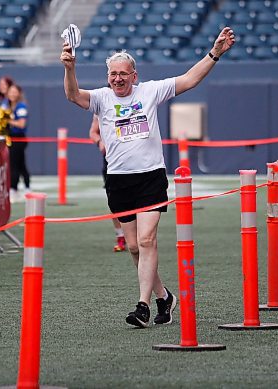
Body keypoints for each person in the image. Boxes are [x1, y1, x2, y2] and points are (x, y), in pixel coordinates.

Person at [60, 27, 235, 328]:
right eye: (113, 73)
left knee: (146, 239)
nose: (118, 78)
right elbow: (73, 95)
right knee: (134, 247)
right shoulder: (102, 98)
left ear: (134, 75)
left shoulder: (150, 91)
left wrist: (214, 53)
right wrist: (70, 68)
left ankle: (142, 306)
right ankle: (164, 297)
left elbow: (189, 79)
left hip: (150, 177)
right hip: (119, 180)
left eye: (123, 73)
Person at [89, 114, 126, 252]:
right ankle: (120, 236)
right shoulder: (102, 103)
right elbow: (93, 131)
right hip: (111, 163)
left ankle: (138, 235)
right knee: (114, 201)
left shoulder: (136, 102)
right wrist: (99, 142)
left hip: (136, 162)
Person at [7, 84, 31, 203]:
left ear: (19, 93)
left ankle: (14, 189)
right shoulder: (7, 106)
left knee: (15, 165)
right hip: (10, 138)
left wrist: (6, 121)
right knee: (20, 165)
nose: (12, 94)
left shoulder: (21, 106)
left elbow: (21, 124)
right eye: (10, 91)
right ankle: (25, 188)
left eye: (14, 91)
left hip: (18, 139)